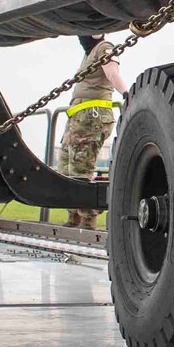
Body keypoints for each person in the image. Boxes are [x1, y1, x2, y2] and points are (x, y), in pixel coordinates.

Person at [56, 34, 129, 229]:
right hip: (78, 118)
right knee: (66, 167)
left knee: (80, 168)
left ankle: (88, 221)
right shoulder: (88, 53)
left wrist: (127, 94)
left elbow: (113, 74)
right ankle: (73, 217)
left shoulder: (104, 48)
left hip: (92, 116)